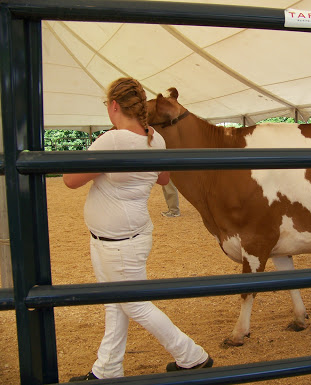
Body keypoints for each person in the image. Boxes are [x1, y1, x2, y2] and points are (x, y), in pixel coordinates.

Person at [63, 77, 212, 381]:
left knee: (134, 304)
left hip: (116, 242)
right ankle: (106, 370)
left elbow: (70, 178)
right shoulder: (155, 139)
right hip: (131, 236)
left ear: (114, 105)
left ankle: (191, 355)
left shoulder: (113, 140)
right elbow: (163, 178)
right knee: (116, 303)